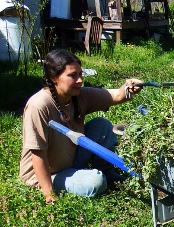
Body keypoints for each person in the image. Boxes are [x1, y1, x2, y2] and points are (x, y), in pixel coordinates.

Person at [19, 49, 143, 204]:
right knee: (95, 182)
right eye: (72, 75)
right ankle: (92, 178)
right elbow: (37, 154)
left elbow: (115, 95)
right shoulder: (39, 106)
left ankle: (107, 172)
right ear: (53, 77)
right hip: (45, 174)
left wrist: (128, 88)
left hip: (70, 159)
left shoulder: (78, 95)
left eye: (80, 74)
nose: (80, 80)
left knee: (101, 125)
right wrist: (48, 194)